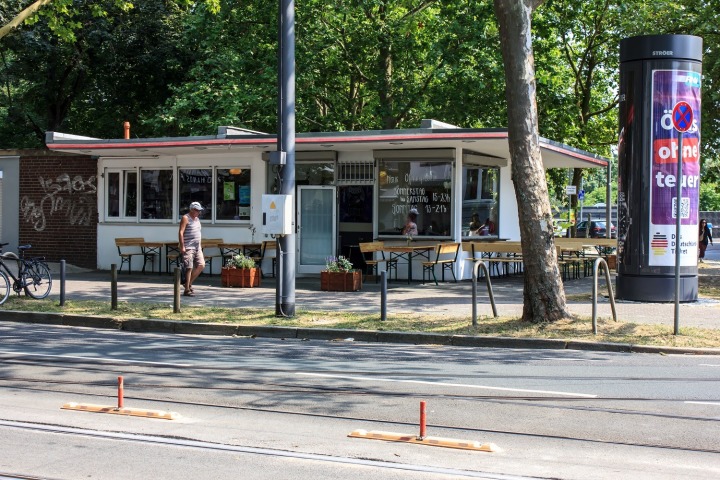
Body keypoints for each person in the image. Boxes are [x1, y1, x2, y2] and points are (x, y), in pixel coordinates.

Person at [179, 201, 206, 296]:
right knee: (189, 267)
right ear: (192, 209)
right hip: (188, 247)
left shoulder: (197, 219)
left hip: (197, 247)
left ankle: (188, 284)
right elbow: (181, 232)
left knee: (201, 265)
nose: (198, 212)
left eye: (199, 211)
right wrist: (182, 246)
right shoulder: (185, 218)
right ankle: (186, 290)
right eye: (197, 210)